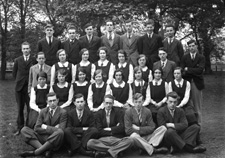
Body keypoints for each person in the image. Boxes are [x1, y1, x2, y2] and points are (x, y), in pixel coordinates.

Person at [20, 92, 67, 158]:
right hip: (43, 137)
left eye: (54, 100)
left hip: (54, 139)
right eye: (50, 101)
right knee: (24, 130)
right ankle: (45, 151)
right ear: (47, 102)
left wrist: (45, 126)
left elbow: (61, 129)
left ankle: (36, 152)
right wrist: (54, 128)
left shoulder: (63, 112)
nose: (52, 103)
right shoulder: (43, 111)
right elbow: (36, 128)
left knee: (60, 132)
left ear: (57, 100)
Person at [12, 41, 36, 135]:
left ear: (30, 49)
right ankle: (20, 128)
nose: (26, 50)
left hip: (29, 88)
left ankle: (29, 127)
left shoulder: (33, 59)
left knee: (30, 109)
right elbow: (14, 73)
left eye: (27, 48)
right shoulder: (17, 60)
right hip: (19, 88)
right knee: (20, 108)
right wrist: (19, 81)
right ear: (22, 50)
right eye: (24, 49)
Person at [181, 39, 205, 125]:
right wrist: (190, 70)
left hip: (196, 83)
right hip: (187, 83)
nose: (191, 48)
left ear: (196, 46)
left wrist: (188, 70)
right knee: (187, 105)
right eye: (189, 46)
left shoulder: (201, 57)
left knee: (197, 106)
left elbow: (200, 70)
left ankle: (199, 126)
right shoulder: (185, 57)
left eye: (193, 46)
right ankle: (190, 125)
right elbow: (183, 70)